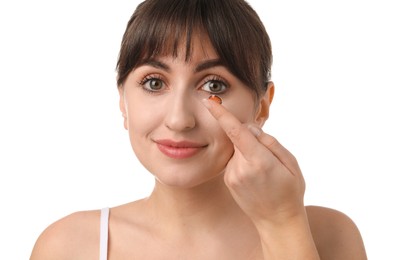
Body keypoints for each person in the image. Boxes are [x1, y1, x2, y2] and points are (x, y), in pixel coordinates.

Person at [30, 0, 367, 259]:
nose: (179, 119)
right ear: (123, 101)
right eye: (153, 82)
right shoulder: (69, 246)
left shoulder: (328, 235)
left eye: (214, 86)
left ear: (262, 105)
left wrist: (283, 224)